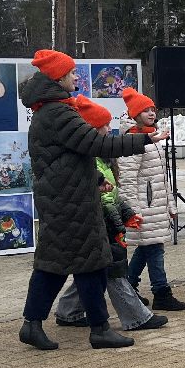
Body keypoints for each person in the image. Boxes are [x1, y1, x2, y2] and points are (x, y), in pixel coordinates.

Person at [16, 50, 163, 352]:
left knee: (72, 265)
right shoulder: (58, 113)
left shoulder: (53, 111)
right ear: (57, 77)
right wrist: (143, 139)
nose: (76, 78)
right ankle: (93, 329)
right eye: (71, 73)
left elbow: (66, 159)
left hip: (68, 200)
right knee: (81, 264)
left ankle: (53, 325)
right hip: (69, 204)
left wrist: (95, 180)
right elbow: (95, 143)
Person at [53, 97, 168, 336]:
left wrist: (126, 213)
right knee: (113, 269)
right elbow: (112, 192)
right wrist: (121, 221)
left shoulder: (105, 157)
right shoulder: (90, 159)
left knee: (92, 270)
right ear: (91, 130)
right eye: (103, 126)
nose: (109, 129)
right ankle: (135, 317)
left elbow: (113, 191)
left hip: (105, 217)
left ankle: (68, 310)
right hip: (95, 220)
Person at [117, 87, 185, 311]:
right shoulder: (133, 140)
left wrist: (170, 205)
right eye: (145, 110)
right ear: (134, 114)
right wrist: (132, 211)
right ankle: (161, 292)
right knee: (154, 248)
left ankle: (129, 285)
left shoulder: (152, 138)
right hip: (144, 208)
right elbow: (127, 180)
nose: (151, 113)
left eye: (153, 109)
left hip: (156, 206)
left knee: (148, 248)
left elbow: (162, 178)